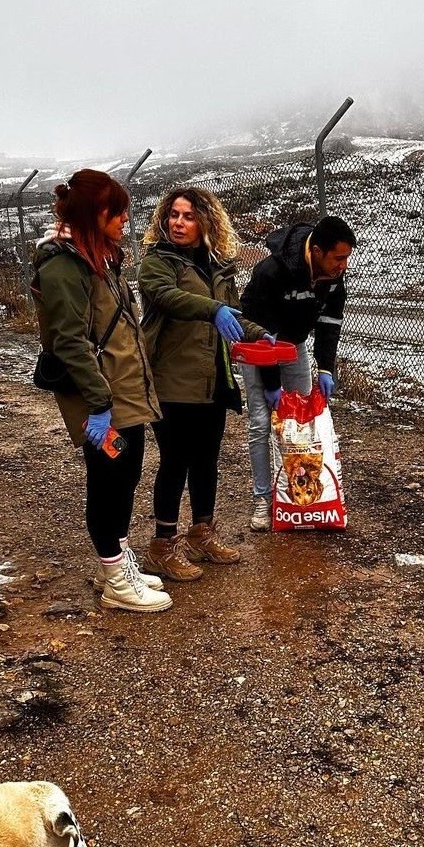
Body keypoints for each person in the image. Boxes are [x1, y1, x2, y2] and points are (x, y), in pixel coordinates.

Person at [30, 168, 171, 613]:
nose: (126, 219)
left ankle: (120, 562)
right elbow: (69, 340)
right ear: (95, 213)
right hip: (102, 395)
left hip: (125, 389)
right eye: (118, 211)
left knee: (126, 477)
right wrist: (99, 404)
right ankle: (115, 578)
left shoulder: (99, 256)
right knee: (108, 483)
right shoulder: (64, 265)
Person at [137, 187, 270, 579]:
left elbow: (233, 314)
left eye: (189, 216)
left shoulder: (217, 267)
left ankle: (201, 533)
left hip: (214, 378)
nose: (179, 222)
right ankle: (162, 546)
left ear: (205, 222)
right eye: (174, 215)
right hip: (172, 377)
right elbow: (168, 298)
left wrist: (260, 334)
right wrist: (213, 309)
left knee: (206, 460)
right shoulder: (157, 262)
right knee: (175, 460)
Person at [238, 214, 357, 530]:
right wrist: (272, 384)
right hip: (257, 345)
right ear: (317, 251)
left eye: (346, 258)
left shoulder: (332, 277)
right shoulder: (273, 271)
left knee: (301, 421)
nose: (342, 265)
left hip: (294, 345)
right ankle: (264, 499)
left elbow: (329, 324)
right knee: (262, 421)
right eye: (338, 257)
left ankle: (298, 493)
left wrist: (326, 369)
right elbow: (260, 332)